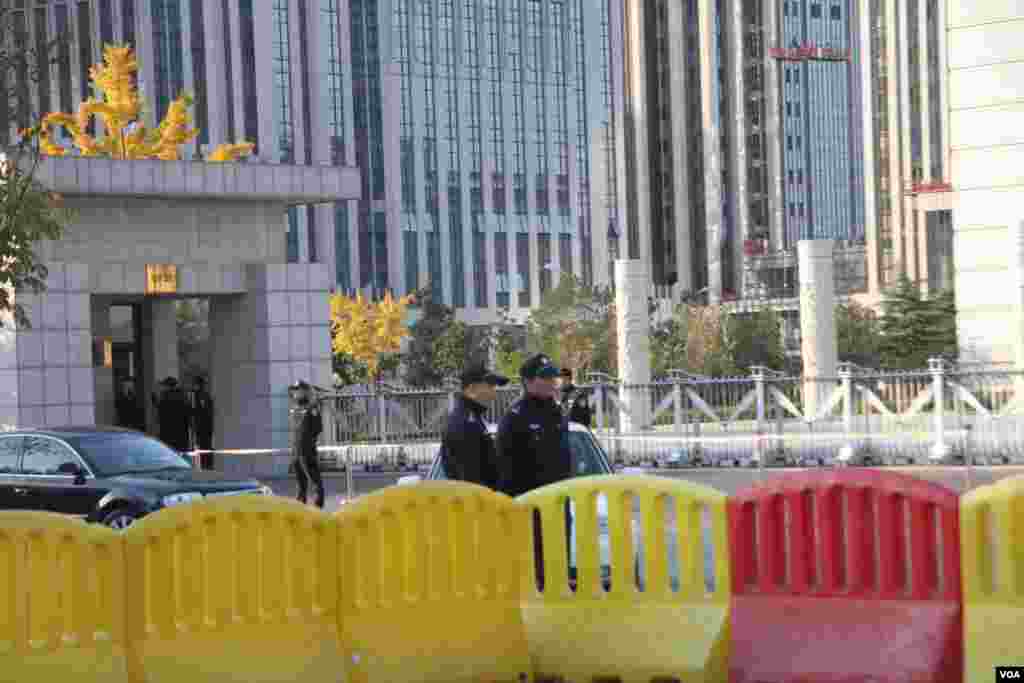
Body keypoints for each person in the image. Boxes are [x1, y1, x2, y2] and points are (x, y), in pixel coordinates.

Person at [496, 353, 572, 498]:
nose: (551, 381)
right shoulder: (515, 417)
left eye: (552, 376)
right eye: (544, 377)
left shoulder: (558, 412)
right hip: (529, 505)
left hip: (559, 502)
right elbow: (506, 471)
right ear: (527, 381)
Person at [440, 365, 509, 488]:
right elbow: (471, 481)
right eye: (490, 386)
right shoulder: (465, 423)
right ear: (471, 389)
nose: (494, 394)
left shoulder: (473, 417)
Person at [289, 380, 325, 508]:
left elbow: (317, 428)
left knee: (315, 484)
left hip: (307, 451)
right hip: (296, 452)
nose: (295, 392)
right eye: (295, 390)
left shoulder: (312, 408)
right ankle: (300, 511)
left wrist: (308, 441)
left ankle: (318, 510)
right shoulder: (296, 408)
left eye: (298, 389)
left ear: (305, 391)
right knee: (301, 486)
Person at [152, 377, 191, 453]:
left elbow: (162, 411)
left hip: (168, 433)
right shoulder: (183, 396)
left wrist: (154, 400)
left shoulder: (165, 396)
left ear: (167, 386)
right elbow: (188, 412)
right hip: (181, 433)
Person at [191, 376, 215, 470]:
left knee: (204, 448)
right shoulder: (204, 395)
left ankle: (206, 467)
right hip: (205, 427)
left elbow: (202, 411)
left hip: (203, 427)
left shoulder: (201, 395)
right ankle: (206, 466)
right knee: (204, 448)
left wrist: (193, 411)